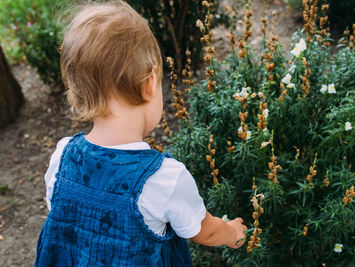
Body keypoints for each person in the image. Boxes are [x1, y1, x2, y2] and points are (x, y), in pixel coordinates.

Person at [34, 1, 247, 266]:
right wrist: (232, 231)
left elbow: (61, 220)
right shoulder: (164, 179)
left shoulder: (62, 157)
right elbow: (206, 231)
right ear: (149, 84)